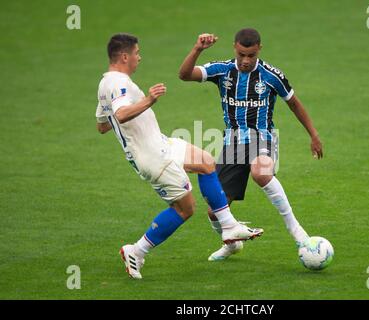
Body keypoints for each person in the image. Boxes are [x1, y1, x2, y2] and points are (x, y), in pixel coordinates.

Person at [95, 33, 263, 279]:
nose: (139, 58)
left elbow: (103, 124)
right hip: (153, 156)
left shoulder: (105, 84)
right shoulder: (117, 83)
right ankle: (137, 251)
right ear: (124, 56)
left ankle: (229, 227)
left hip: (161, 144)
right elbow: (120, 115)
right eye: (136, 53)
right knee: (185, 209)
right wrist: (149, 100)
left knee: (206, 162)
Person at [179, 28, 323, 261]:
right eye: (242, 55)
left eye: (251, 56)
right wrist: (197, 49)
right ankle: (231, 244)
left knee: (261, 172)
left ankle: (297, 231)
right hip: (232, 143)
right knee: (214, 211)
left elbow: (294, 104)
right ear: (235, 48)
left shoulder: (271, 75)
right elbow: (184, 75)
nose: (246, 61)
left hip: (262, 137)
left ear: (259, 50)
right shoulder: (222, 70)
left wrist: (314, 135)